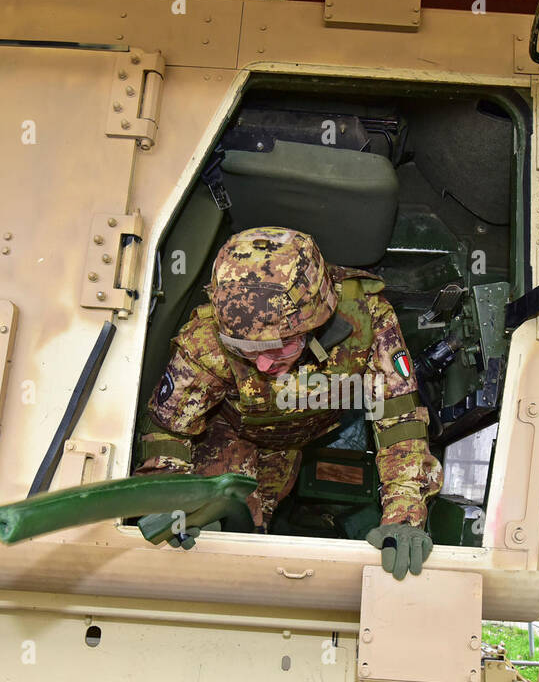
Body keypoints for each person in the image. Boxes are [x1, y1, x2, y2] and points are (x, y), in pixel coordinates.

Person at [137, 226, 442, 579]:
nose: (264, 364)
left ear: (318, 318)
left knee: (261, 517)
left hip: (303, 438)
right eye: (245, 350)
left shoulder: (369, 320)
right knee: (227, 535)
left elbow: (398, 424)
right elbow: (167, 430)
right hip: (231, 435)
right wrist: (172, 498)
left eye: (280, 346)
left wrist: (404, 518)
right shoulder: (205, 341)